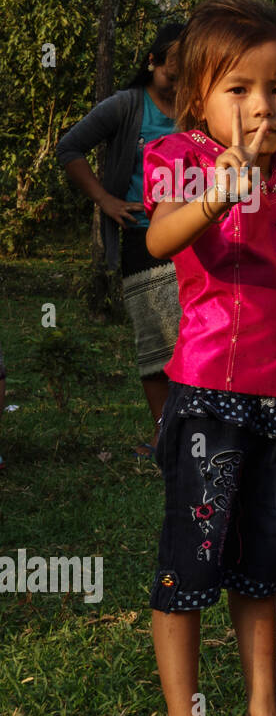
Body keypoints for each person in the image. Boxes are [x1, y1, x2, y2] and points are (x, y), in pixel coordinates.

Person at [142, 0, 276, 716]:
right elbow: (159, 238)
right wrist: (220, 187)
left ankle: (262, 713)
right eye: (238, 89)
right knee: (190, 559)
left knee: (262, 564)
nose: (261, 107)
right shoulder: (181, 160)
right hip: (210, 392)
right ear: (198, 97)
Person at [57, 23, 185, 456]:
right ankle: (162, 433)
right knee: (154, 339)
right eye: (172, 69)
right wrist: (105, 200)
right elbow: (69, 147)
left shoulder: (199, 108)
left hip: (193, 237)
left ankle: (189, 433)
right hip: (142, 236)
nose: (179, 78)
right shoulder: (127, 106)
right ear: (152, 63)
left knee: (192, 337)